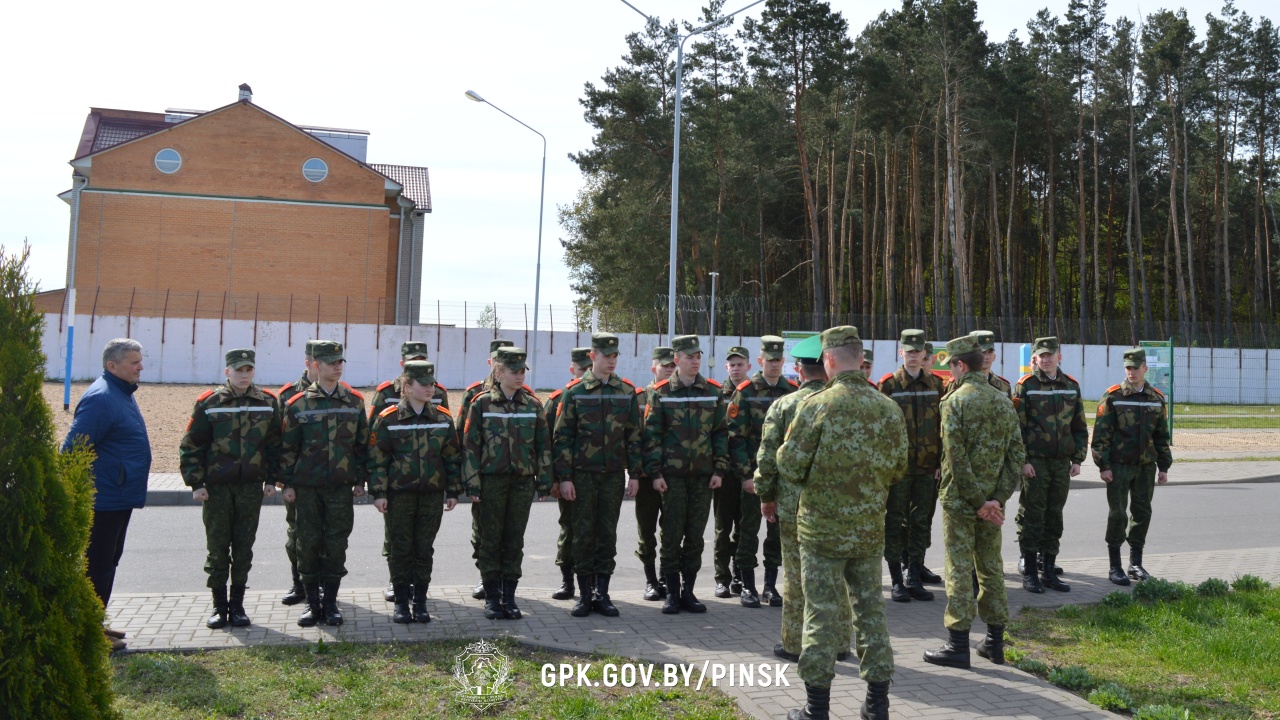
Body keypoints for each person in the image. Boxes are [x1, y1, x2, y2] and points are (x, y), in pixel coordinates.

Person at [777, 326, 907, 720]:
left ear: (829, 359)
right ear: (861, 359)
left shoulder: (815, 405)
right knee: (871, 612)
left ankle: (817, 708)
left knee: (820, 613)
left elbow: (790, 466)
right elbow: (899, 468)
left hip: (821, 532)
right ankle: (878, 704)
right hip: (868, 529)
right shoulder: (888, 407)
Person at [923, 335, 1025, 671]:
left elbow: (955, 457)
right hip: (993, 503)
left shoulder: (955, 401)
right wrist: (996, 499)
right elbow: (1016, 455)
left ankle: (958, 645)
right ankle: (995, 642)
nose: (950, 372)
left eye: (951, 365)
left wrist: (978, 501)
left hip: (961, 502)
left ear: (960, 365)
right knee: (991, 567)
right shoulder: (1002, 400)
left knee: (958, 568)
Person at [753, 334, 849, 665]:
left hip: (794, 505)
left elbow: (768, 458)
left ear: (798, 370)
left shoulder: (784, 405)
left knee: (796, 576)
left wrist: (766, 495)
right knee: (837, 574)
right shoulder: (844, 403)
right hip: (839, 505)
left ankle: (795, 643)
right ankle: (841, 642)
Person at [179, 349, 280, 629]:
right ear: (227, 372)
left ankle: (237, 606)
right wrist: (196, 483)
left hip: (250, 487)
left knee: (244, 548)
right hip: (217, 489)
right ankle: (218, 606)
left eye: (248, 369)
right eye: (238, 370)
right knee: (218, 548)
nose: (244, 375)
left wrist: (272, 480)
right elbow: (192, 445)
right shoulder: (210, 402)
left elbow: (275, 445)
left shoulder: (268, 402)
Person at [64, 338, 152, 652]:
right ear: (112, 365)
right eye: (134, 362)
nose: (140, 367)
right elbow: (73, 450)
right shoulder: (102, 398)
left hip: (117, 497)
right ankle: (88, 633)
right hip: (103, 500)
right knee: (97, 566)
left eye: (140, 360)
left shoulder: (120, 392)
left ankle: (95, 623)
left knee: (107, 563)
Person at [553, 333, 644, 617]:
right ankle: (583, 595)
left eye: (615, 356)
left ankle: (601, 594)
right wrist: (565, 477)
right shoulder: (575, 391)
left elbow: (634, 437)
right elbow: (562, 438)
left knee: (607, 534)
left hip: (613, 476)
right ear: (593, 356)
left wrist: (635, 474)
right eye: (607, 356)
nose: (612, 361)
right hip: (582, 476)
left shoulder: (626, 391)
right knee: (582, 534)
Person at [279, 340, 369, 627]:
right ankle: (312, 604)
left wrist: (361, 480)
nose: (338, 367)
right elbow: (288, 448)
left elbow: (362, 446)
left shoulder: (354, 401)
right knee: (307, 544)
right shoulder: (298, 403)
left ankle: (330, 604)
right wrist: (287, 484)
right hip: (307, 489)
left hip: (340, 489)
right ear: (316, 365)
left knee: (336, 545)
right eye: (332, 363)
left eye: (340, 362)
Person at [462, 347, 553, 620]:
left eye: (523, 371)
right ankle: (492, 598)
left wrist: (544, 481)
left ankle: (509, 598)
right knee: (490, 541)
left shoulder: (533, 405)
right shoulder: (481, 404)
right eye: (514, 371)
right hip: (491, 482)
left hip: (522, 483)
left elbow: (543, 447)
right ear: (499, 373)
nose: (520, 376)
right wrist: (472, 483)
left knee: (514, 541)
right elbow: (470, 447)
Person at [368, 360, 462, 623]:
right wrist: (379, 493)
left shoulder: (443, 418)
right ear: (407, 386)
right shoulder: (388, 419)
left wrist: (453, 491)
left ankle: (420, 603)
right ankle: (401, 603)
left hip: (431, 496)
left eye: (432, 384)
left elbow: (452, 458)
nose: (430, 388)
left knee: (423, 549)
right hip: (400, 496)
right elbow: (377, 460)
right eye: (424, 384)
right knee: (400, 549)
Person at [644, 335, 728, 614]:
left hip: (703, 477)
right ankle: (671, 592)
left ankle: (688, 592)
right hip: (672, 478)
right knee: (671, 535)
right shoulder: (661, 392)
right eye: (689, 357)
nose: (695, 361)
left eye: (698, 356)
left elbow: (720, 433)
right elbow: (652, 436)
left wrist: (719, 469)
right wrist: (655, 473)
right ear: (676, 359)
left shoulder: (712, 391)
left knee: (695, 537)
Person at [1091, 347, 1173, 585]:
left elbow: (1161, 436)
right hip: (1118, 467)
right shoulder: (1113, 397)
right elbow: (1101, 435)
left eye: (1136, 368)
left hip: (1145, 467)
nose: (1131, 372)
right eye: (1128, 368)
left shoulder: (1156, 398)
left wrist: (1164, 467)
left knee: (1142, 513)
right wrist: (1103, 465)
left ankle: (1135, 563)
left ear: (1145, 368)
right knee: (1118, 515)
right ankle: (1115, 566)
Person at [727, 335, 796, 607]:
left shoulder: (791, 391)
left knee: (776, 533)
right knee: (748, 530)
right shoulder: (745, 392)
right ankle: (747, 585)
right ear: (760, 361)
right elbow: (736, 438)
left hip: (782, 477)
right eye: (769, 360)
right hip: (754, 476)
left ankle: (770, 586)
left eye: (778, 360)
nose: (774, 364)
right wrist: (745, 475)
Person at [1013, 336, 1086, 593]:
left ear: (1059, 356)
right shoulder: (1026, 386)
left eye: (1050, 355)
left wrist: (1078, 459)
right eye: (1041, 355)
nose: (1046, 359)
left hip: (1061, 463)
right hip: (1036, 463)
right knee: (1034, 515)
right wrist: (1023, 461)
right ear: (1035, 358)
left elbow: (1079, 425)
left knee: (1055, 516)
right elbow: (1017, 428)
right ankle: (1030, 572)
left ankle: (1049, 569)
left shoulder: (1071, 386)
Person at [877, 329, 943, 603]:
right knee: (894, 522)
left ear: (924, 354)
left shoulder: (936, 384)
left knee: (920, 522)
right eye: (909, 351)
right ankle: (896, 579)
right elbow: (880, 429)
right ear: (900, 352)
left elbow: (942, 428)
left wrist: (940, 462)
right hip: (898, 470)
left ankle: (914, 575)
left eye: (918, 352)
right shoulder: (889, 385)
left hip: (927, 467)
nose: (913, 356)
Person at [458, 338, 516, 599]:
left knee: (509, 534)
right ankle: (486, 576)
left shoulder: (521, 393)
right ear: (490, 362)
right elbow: (464, 435)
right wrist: (468, 476)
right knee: (482, 532)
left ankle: (503, 580)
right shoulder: (475, 393)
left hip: (511, 476)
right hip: (484, 476)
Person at [275, 340, 321, 606]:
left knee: (325, 536)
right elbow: (280, 439)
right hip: (298, 480)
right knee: (296, 533)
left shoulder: (339, 393)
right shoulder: (289, 394)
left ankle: (321, 587)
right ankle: (299, 584)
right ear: (309, 363)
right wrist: (283, 479)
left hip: (326, 479)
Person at [547, 347, 592, 601]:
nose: (586, 373)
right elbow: (549, 442)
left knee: (594, 532)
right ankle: (567, 580)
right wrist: (554, 479)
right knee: (569, 529)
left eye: (589, 368)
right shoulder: (557, 399)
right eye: (582, 369)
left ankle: (592, 583)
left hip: (594, 475)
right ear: (572, 369)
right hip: (568, 477)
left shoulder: (600, 395)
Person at [635, 346, 675, 601]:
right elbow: (633, 436)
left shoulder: (678, 396)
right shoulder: (639, 397)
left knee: (671, 531)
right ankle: (650, 580)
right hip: (646, 477)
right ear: (654, 368)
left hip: (672, 475)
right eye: (665, 366)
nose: (669, 370)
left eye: (673, 366)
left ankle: (665, 579)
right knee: (646, 531)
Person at [713, 345, 752, 598]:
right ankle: (722, 578)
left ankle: (739, 575)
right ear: (726, 367)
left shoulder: (753, 393)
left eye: (740, 364)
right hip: (725, 471)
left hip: (748, 470)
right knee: (722, 527)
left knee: (744, 526)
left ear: (749, 366)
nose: (736, 368)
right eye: (732, 364)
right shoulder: (718, 394)